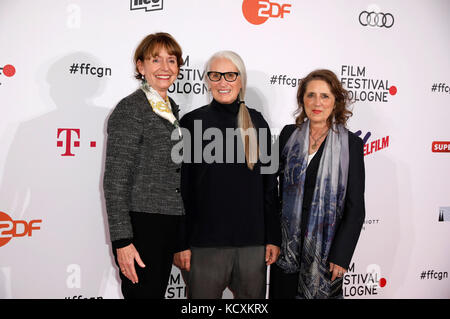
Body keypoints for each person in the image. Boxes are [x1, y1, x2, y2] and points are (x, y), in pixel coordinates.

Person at [174, 51, 281, 299]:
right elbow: (179, 187)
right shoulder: (190, 122)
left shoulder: (258, 122)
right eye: (216, 75)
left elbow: (269, 185)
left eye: (230, 75)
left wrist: (273, 237)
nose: (223, 82)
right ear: (208, 80)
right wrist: (180, 242)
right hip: (204, 245)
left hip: (252, 246)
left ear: (241, 80)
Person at [269, 69, 365, 299]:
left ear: (336, 102)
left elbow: (355, 207)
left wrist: (341, 256)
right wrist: (272, 238)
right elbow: (270, 188)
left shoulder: (350, 145)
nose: (317, 102)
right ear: (302, 99)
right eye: (311, 95)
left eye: (325, 96)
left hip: (326, 253)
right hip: (286, 248)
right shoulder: (288, 135)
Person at [103, 32, 184, 299]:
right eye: (155, 60)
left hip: (168, 225)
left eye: (171, 61)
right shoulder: (131, 109)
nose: (165, 68)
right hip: (142, 227)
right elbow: (115, 181)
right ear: (141, 66)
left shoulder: (171, 108)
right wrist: (123, 241)